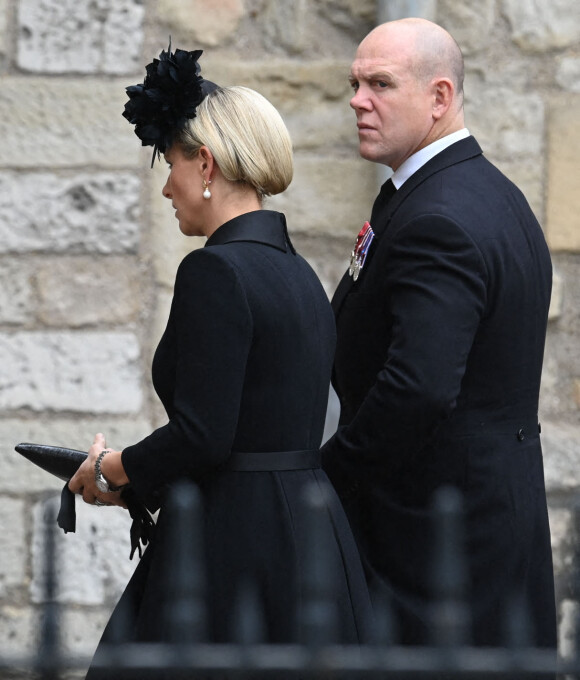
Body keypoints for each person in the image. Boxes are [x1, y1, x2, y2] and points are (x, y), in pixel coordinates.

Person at [68, 45, 373, 676]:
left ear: (204, 162)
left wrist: (111, 469)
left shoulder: (213, 270)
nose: (166, 186)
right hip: (309, 535)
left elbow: (205, 436)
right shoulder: (299, 275)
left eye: (172, 163)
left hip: (232, 543)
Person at [321, 17, 557, 654]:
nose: (357, 100)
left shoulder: (440, 216)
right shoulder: (476, 192)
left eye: (380, 84)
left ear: (440, 97)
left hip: (439, 542)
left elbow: (419, 388)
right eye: (355, 83)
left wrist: (327, 477)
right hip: (478, 519)